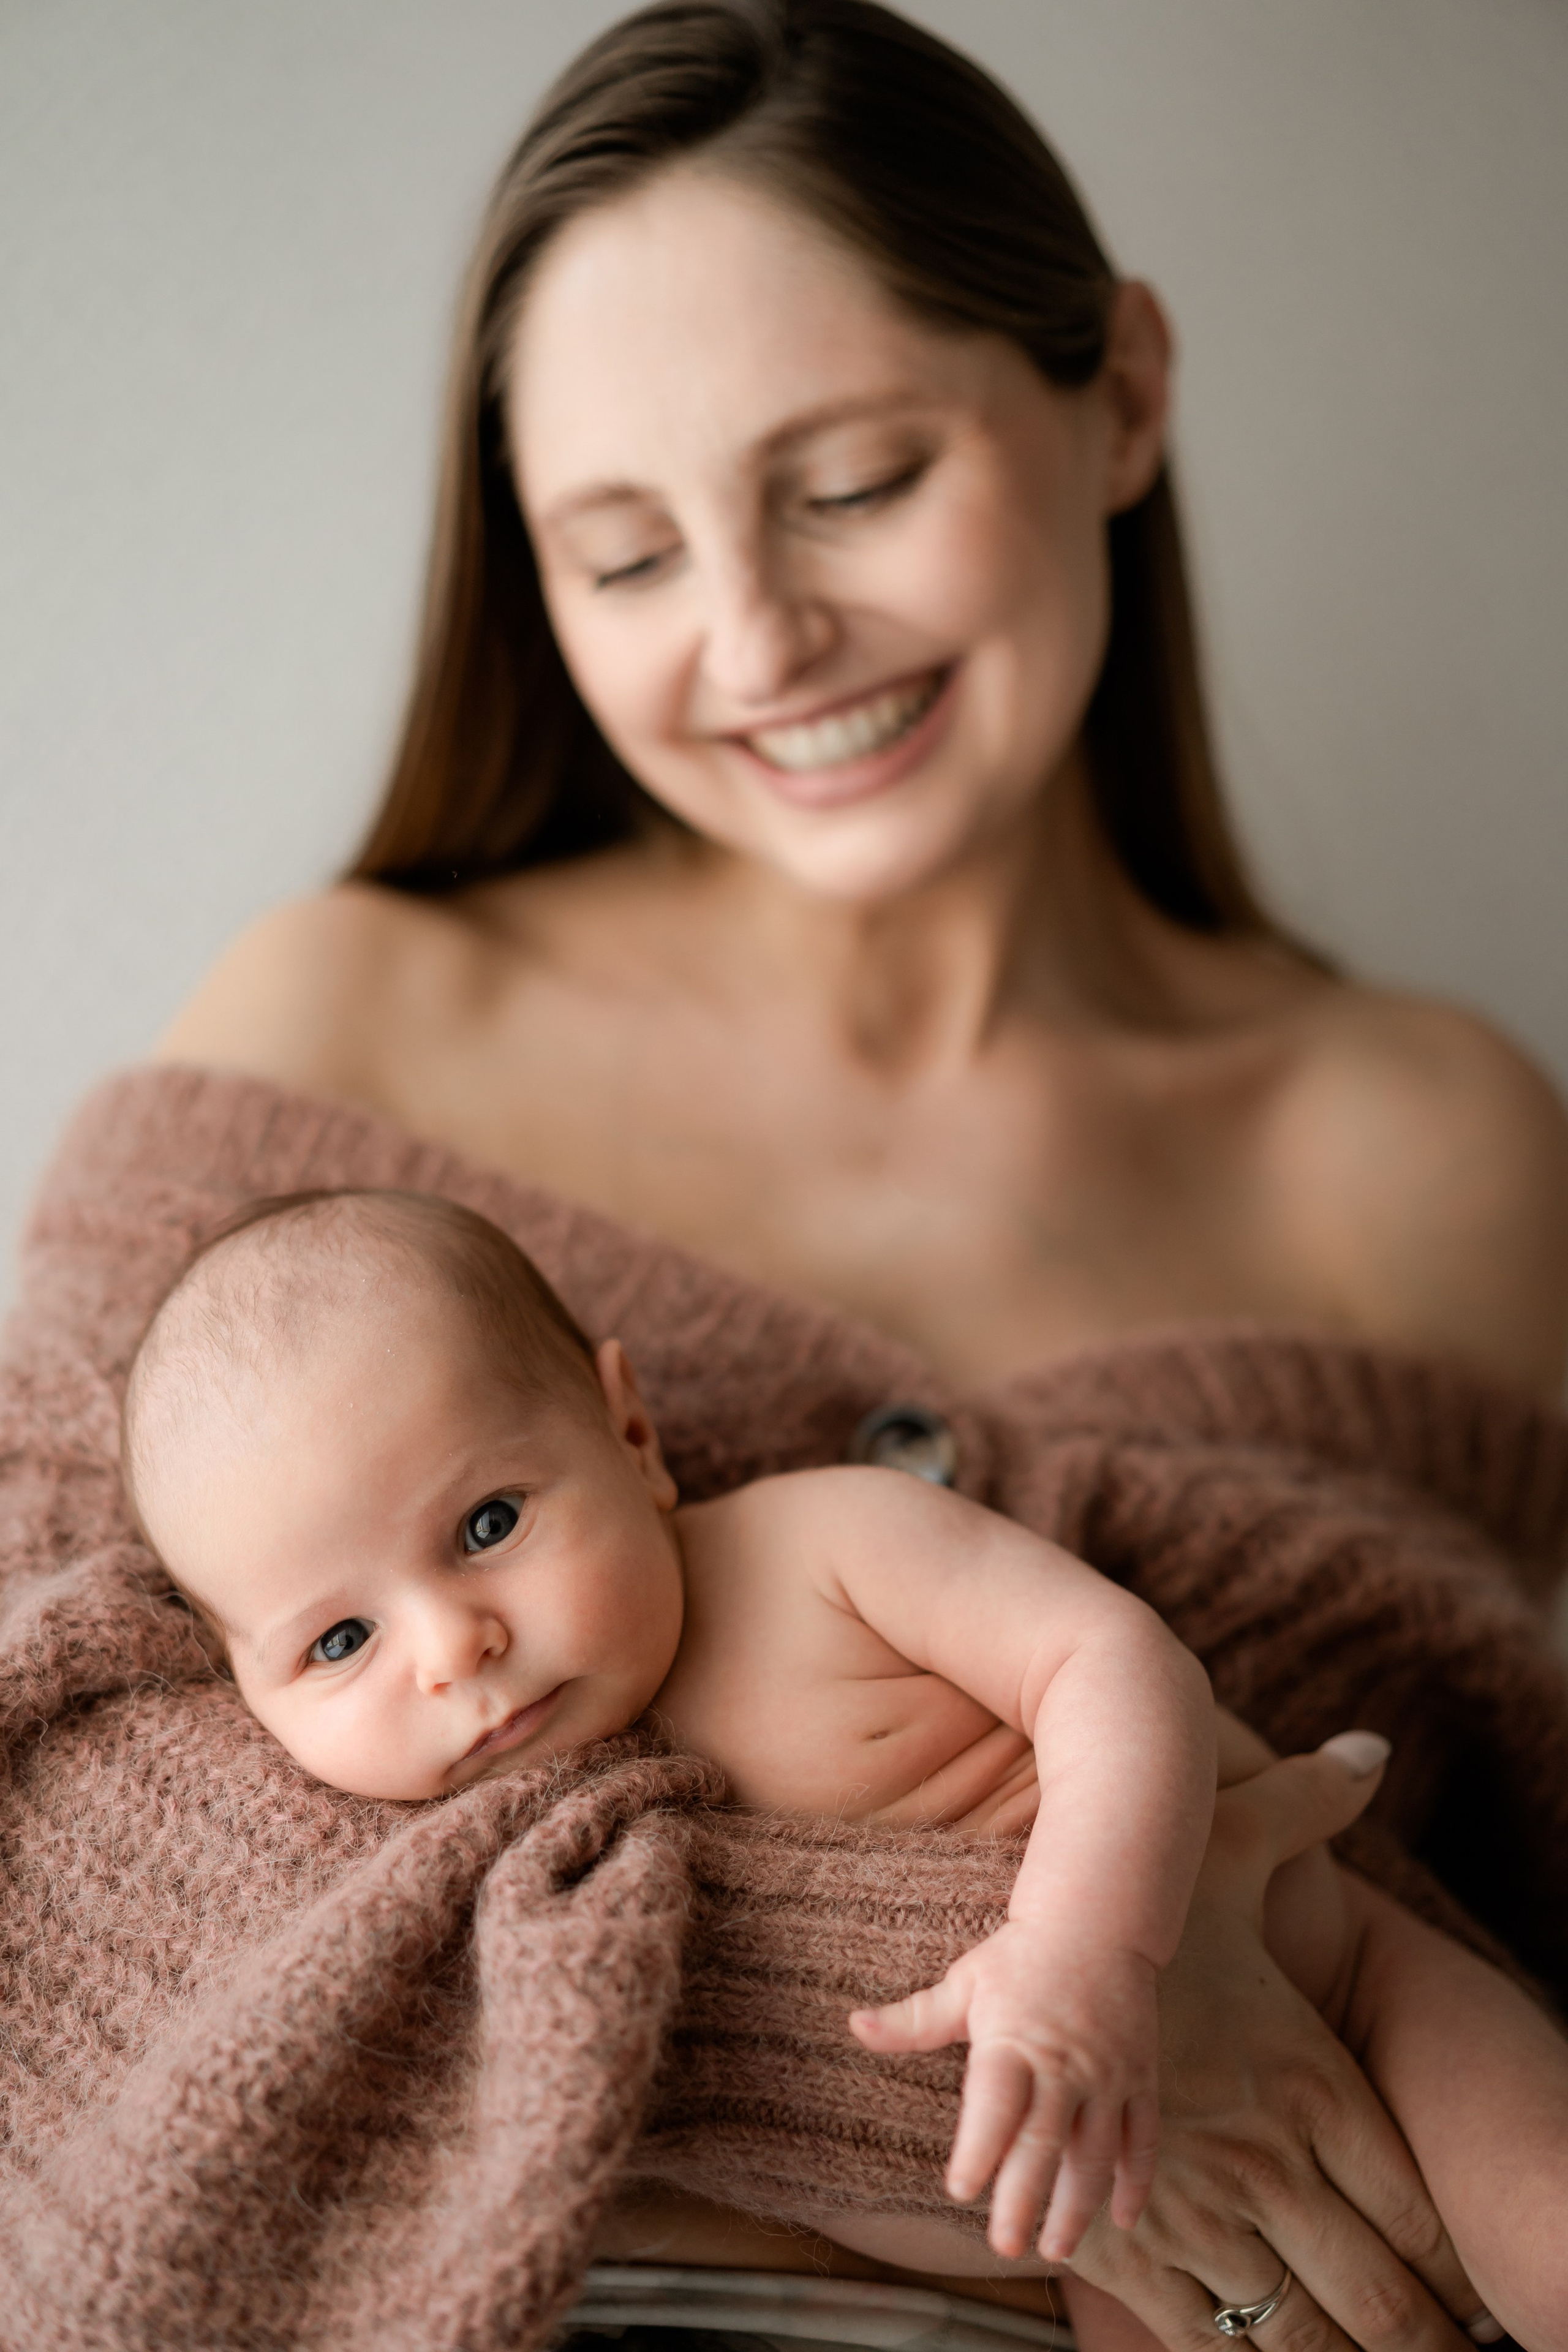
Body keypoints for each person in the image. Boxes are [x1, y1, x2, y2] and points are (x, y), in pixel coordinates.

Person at [152, 2, 1568, 2346]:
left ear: (1116, 393)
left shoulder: (1438, 1153)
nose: (757, 638)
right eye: (622, 555)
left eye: (849, 483)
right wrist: (947, 2012)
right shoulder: (349, 1033)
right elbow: (54, 1814)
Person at [119, 1186, 1568, 2351]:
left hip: (1361, 1996)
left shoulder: (819, 1550)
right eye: (341, 1640)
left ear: (629, 1435)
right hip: (1098, 2222)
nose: (451, 1649)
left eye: (489, 1522)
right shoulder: (464, 1862)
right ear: (245, 1694)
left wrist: (1084, 1947)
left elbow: (1114, 1667)